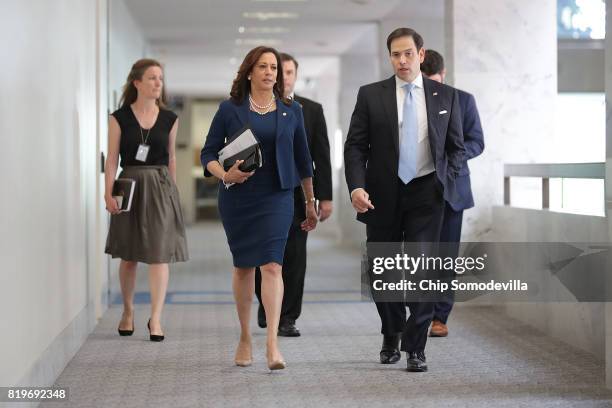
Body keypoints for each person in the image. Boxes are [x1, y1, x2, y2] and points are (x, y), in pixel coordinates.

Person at [344, 28, 465, 372]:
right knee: (383, 273)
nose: (402, 60)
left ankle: (416, 347)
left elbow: (456, 147)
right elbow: (355, 146)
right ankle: (391, 332)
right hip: (381, 195)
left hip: (427, 193)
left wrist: (447, 178)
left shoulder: (446, 96)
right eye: (395, 54)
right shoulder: (370, 95)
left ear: (421, 55)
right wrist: (356, 186)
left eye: (408, 53)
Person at [200, 46, 318, 370]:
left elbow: (303, 161)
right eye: (263, 67)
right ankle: (244, 337)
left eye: (274, 69)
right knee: (243, 268)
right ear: (249, 71)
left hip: (278, 196)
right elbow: (207, 154)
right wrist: (225, 174)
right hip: (239, 197)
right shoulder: (230, 109)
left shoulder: (291, 111)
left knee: (272, 266)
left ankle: (272, 345)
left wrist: (310, 202)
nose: (270, 73)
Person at [105, 58, 189, 342]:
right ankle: (128, 311)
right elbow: (113, 158)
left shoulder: (170, 119)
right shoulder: (119, 118)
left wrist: (173, 193)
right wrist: (108, 192)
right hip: (128, 184)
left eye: (161, 79)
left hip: (160, 184)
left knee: (158, 254)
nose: (158, 83)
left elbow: (172, 157)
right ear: (137, 82)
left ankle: (156, 317)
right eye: (152, 78)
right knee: (129, 255)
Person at [254, 53, 333, 337]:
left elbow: (320, 156)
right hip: (264, 193)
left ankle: (288, 317)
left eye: (288, 72)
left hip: (300, 195)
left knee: (295, 256)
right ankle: (266, 306)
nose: (282, 77)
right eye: (279, 71)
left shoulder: (309, 109)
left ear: (295, 76)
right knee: (264, 253)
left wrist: (324, 197)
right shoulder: (258, 108)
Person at [420, 49, 484, 337]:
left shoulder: (463, 100)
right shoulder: (408, 102)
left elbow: (476, 142)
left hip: (452, 189)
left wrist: (450, 159)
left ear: (443, 75)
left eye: (434, 81)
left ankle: (439, 317)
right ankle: (418, 314)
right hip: (416, 189)